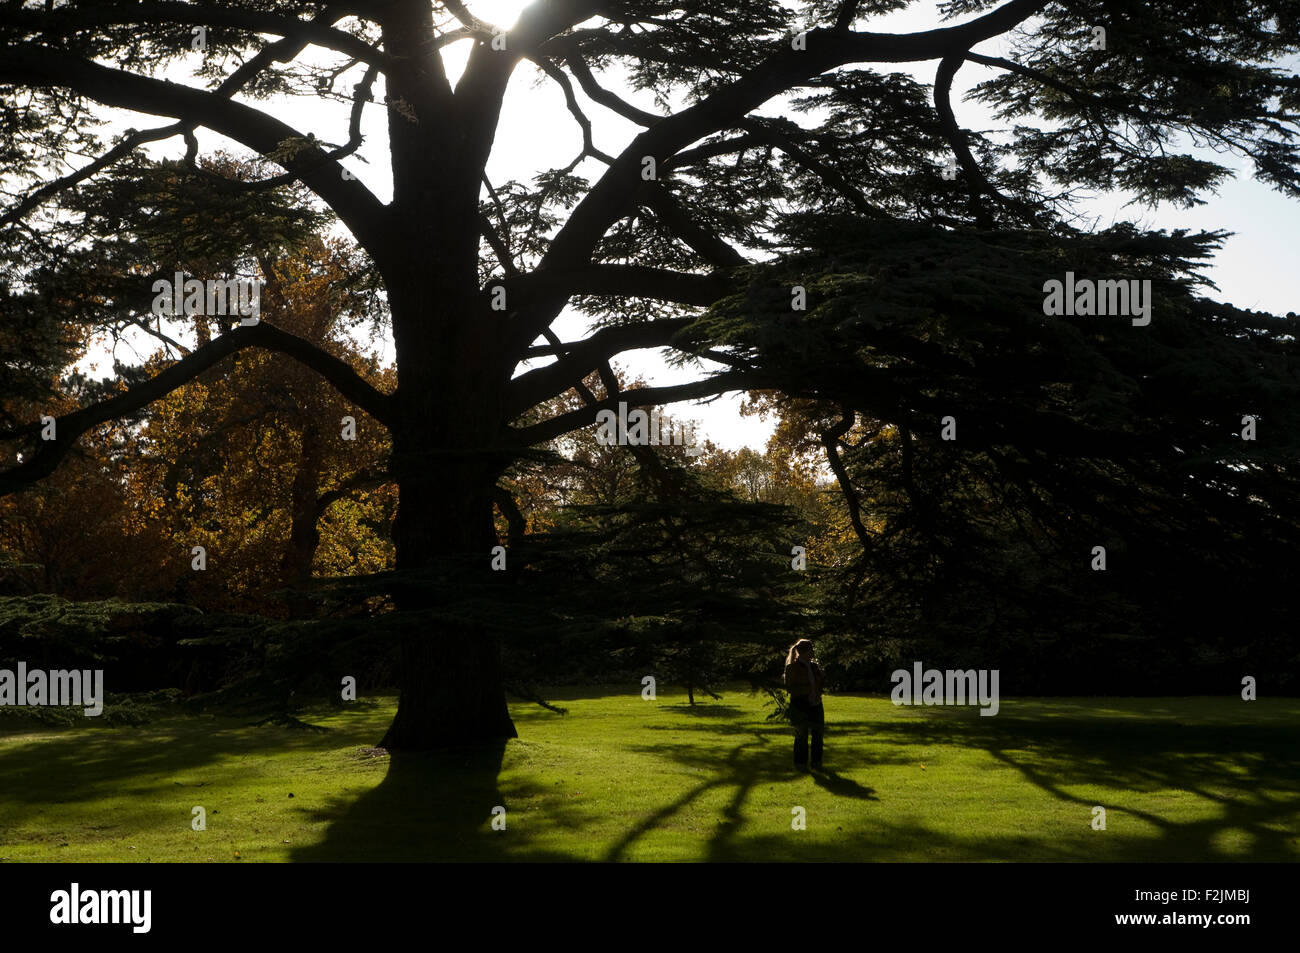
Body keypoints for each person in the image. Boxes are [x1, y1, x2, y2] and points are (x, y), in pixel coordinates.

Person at [783, 638, 825, 770]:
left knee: (818, 734)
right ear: (804, 652)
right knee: (801, 736)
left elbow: (819, 684)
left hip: (816, 704)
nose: (813, 652)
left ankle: (816, 762)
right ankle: (800, 763)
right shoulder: (792, 668)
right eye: (811, 649)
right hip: (800, 704)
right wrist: (808, 690)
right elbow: (790, 688)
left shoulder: (814, 666)